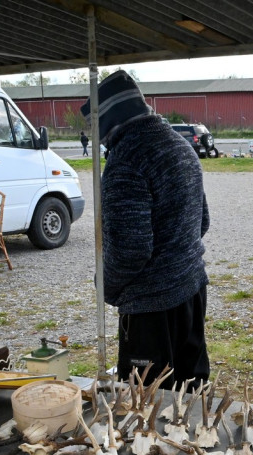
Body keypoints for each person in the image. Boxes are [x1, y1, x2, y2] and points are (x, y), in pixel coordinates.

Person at [81, 71, 210, 390]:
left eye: (92, 125)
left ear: (106, 121)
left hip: (152, 307)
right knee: (191, 389)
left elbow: (130, 249)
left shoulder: (126, 160)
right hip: (191, 289)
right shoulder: (180, 145)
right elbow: (202, 220)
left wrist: (106, 287)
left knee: (147, 402)